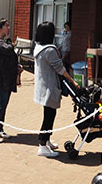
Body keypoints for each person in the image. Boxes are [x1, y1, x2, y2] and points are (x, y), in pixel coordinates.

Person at [33, 21, 80, 158]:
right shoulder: (49, 50)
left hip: (42, 87)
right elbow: (60, 69)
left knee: (48, 114)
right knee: (49, 116)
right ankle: (42, 145)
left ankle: (46, 141)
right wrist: (73, 82)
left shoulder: (38, 47)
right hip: (50, 87)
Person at [0, 18, 21, 143]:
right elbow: (8, 49)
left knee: (3, 106)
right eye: (6, 26)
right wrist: (11, 43)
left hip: (6, 78)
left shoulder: (2, 41)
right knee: (0, 106)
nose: (9, 28)